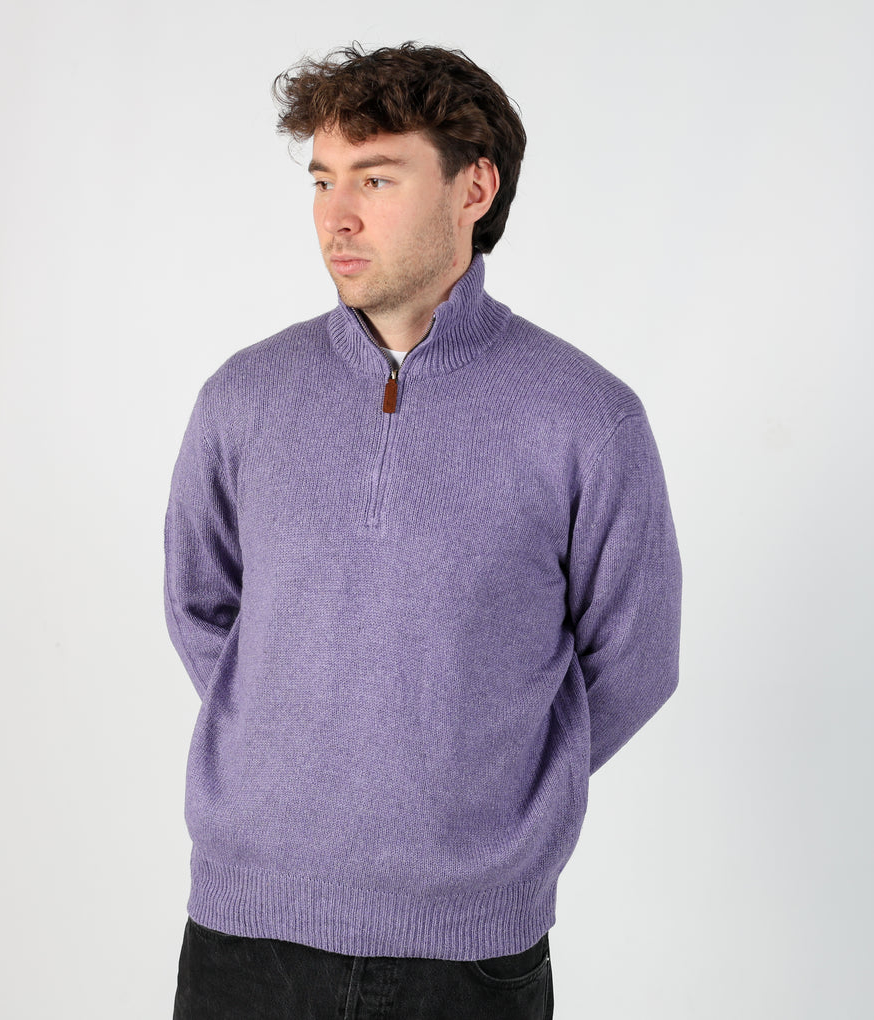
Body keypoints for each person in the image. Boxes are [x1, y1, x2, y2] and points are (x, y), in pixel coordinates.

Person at [164, 41, 681, 1020]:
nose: (337, 216)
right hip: (245, 934)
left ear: (473, 188)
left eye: (376, 178)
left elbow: (636, 656)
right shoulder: (244, 396)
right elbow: (201, 605)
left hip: (469, 948)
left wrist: (490, 789)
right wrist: (294, 735)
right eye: (323, 180)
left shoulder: (585, 416)